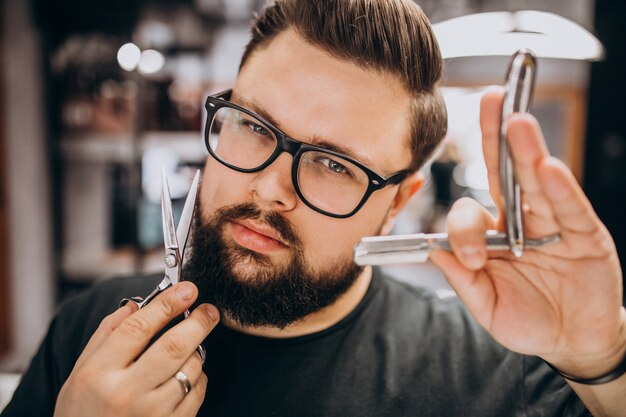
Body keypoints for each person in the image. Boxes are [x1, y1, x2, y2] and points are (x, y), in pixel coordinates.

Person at [3, 0, 625, 416]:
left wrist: (602, 360)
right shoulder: (93, 332)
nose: (271, 187)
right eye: (253, 126)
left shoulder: (491, 371)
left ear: (398, 204)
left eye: (335, 164)